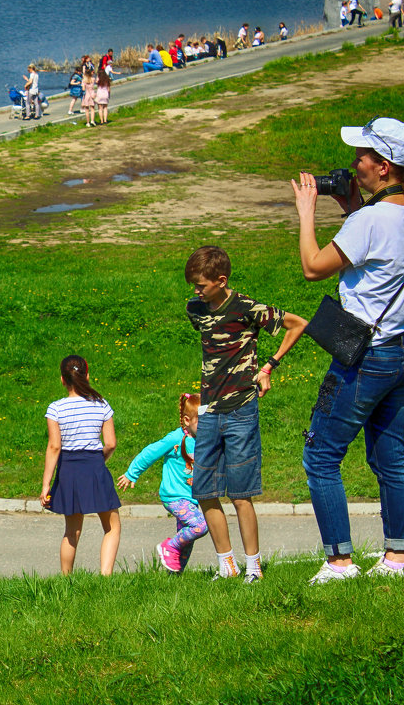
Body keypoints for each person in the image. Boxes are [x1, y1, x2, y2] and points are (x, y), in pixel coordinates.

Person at [293, 118, 404, 583]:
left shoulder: (370, 220)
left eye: (361, 157)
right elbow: (379, 253)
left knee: (321, 456)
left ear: (384, 166)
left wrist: (307, 210)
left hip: (363, 358)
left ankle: (339, 562)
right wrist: (352, 206)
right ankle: (398, 556)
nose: (354, 164)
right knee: (389, 458)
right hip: (400, 352)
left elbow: (314, 267)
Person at [184, 246, 306, 582]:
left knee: (240, 494)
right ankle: (228, 565)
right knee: (204, 491)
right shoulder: (195, 308)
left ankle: (254, 567)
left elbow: (298, 325)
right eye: (194, 285)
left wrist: (268, 366)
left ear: (221, 281)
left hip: (240, 408)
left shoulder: (246, 308)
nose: (196, 291)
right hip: (208, 410)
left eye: (202, 285)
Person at [40, 355, 120, 576]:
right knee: (111, 526)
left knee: (72, 531)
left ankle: (66, 579)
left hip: (68, 469)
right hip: (94, 466)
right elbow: (111, 443)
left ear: (62, 380)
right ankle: (106, 576)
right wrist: (97, 461)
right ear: (87, 375)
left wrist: (46, 484)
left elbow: (54, 447)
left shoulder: (55, 408)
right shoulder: (101, 404)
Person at [117, 393, 208, 574]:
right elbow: (150, 453)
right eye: (202, 421)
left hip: (191, 498)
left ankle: (174, 574)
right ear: (187, 420)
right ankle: (170, 546)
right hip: (174, 496)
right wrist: (131, 474)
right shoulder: (176, 439)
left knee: (188, 540)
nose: (207, 426)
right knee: (200, 526)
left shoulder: (204, 440)